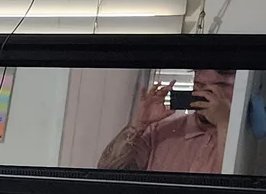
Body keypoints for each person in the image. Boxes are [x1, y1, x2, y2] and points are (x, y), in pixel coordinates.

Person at [97, 68, 236, 172]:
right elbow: (107, 170)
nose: (206, 94)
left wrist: (224, 123)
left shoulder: (243, 140)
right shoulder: (160, 131)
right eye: (199, 85)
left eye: (220, 86)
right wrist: (138, 124)